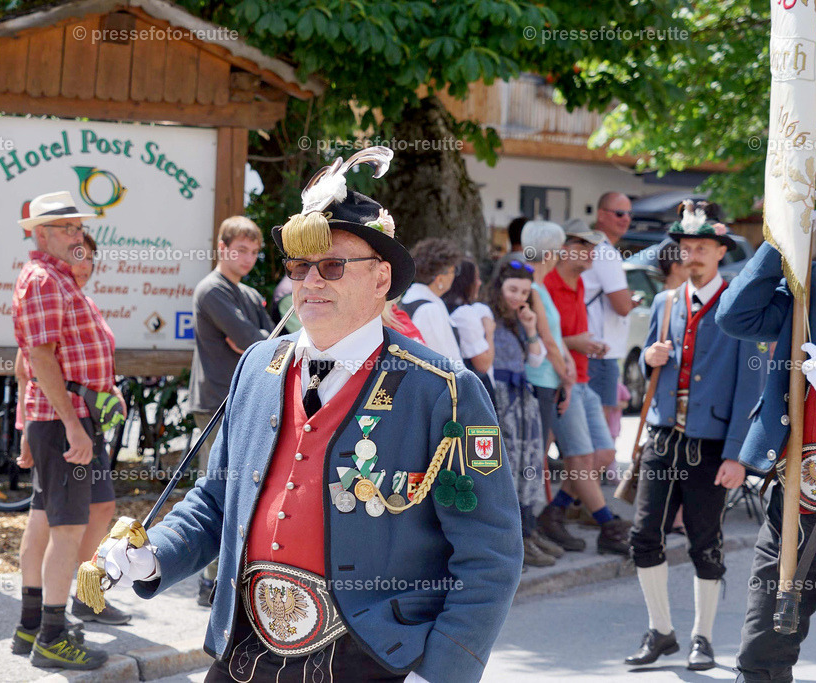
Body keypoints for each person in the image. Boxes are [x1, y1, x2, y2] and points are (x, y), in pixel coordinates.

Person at [106, 148, 523, 682]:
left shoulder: (444, 390)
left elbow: (490, 554)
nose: (311, 281)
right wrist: (154, 556)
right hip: (245, 651)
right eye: (301, 266)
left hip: (372, 658)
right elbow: (216, 501)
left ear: (380, 280)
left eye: (332, 265)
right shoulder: (258, 366)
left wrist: (442, 671)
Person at [623, 201, 762, 671]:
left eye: (703, 246)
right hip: (663, 437)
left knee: (705, 541)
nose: (693, 255)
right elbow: (649, 367)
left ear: (721, 251)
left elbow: (750, 389)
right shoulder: (665, 302)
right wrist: (649, 359)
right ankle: (661, 631)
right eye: (686, 247)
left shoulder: (739, 307)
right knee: (644, 536)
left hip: (711, 443)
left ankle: (702, 637)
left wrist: (739, 456)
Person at [717, 217, 816, 683]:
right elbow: (735, 317)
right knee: (759, 660)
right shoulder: (815, 292)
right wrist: (780, 243)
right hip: (793, 510)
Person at [10, 191, 118, 670]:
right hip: (63, 422)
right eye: (69, 228)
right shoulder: (43, 280)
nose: (79, 236)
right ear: (41, 233)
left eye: (78, 227)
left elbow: (39, 358)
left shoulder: (52, 278)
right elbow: (39, 357)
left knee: (44, 523)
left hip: (58, 421)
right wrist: (74, 427)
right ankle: (52, 635)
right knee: (67, 530)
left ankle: (32, 624)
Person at [188, 215, 275, 605]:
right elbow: (254, 341)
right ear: (222, 249)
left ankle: (228, 578)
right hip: (215, 404)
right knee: (218, 491)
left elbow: (276, 341)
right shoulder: (212, 290)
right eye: (241, 250)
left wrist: (257, 343)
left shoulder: (250, 294)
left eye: (255, 252)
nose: (249, 258)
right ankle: (210, 584)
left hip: (244, 400)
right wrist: (255, 342)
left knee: (243, 490)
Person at [537, 220, 631, 556]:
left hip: (581, 378)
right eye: (584, 246)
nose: (592, 253)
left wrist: (584, 344)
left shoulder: (576, 283)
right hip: (561, 381)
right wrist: (576, 342)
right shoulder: (546, 284)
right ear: (564, 248)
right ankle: (608, 525)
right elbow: (538, 340)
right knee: (581, 458)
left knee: (604, 455)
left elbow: (565, 337)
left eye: (593, 247)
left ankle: (554, 512)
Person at [484, 260, 559, 567]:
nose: (517, 297)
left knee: (529, 461)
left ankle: (528, 530)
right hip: (500, 396)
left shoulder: (518, 319)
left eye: (524, 292)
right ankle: (512, 539)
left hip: (521, 396)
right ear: (499, 287)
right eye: (512, 289)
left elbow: (537, 360)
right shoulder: (485, 314)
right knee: (508, 463)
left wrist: (530, 328)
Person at [582, 193, 641, 436]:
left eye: (629, 214)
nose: (625, 219)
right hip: (600, 352)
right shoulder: (605, 252)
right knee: (600, 436)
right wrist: (632, 301)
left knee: (583, 432)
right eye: (619, 213)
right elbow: (622, 306)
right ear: (600, 214)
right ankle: (595, 476)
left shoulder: (586, 246)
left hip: (583, 347)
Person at [522, 220, 577, 455]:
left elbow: (555, 335)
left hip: (548, 378)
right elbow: (548, 339)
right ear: (549, 254)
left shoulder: (540, 287)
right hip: (540, 379)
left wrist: (568, 365)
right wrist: (567, 378)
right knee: (537, 454)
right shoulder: (533, 288)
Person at [400, 237, 464, 362]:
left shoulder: (411, 299)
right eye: (452, 271)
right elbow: (444, 362)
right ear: (439, 279)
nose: (454, 276)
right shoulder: (429, 310)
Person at [443, 258, 497, 402]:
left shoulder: (444, 306)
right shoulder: (464, 313)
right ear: (466, 282)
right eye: (476, 278)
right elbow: (483, 364)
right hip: (474, 390)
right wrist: (489, 332)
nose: (479, 283)